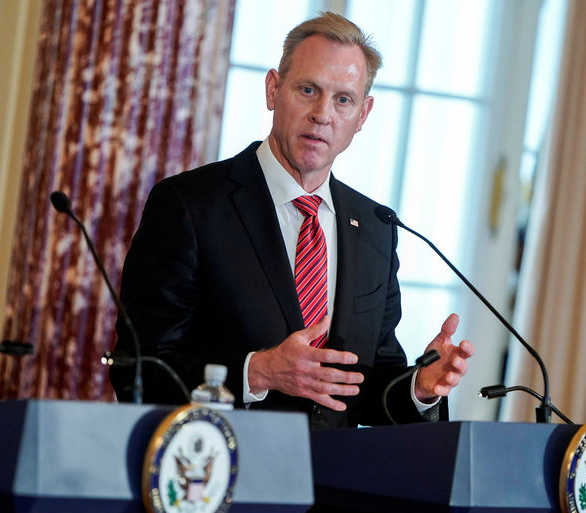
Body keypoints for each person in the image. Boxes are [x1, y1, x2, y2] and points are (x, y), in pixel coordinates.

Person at [110, 12, 473, 429]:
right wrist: (257, 371)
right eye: (307, 89)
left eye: (343, 99)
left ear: (363, 114)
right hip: (222, 472)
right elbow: (135, 370)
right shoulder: (190, 205)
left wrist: (420, 387)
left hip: (336, 486)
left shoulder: (376, 228)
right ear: (273, 89)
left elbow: (369, 390)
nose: (323, 114)